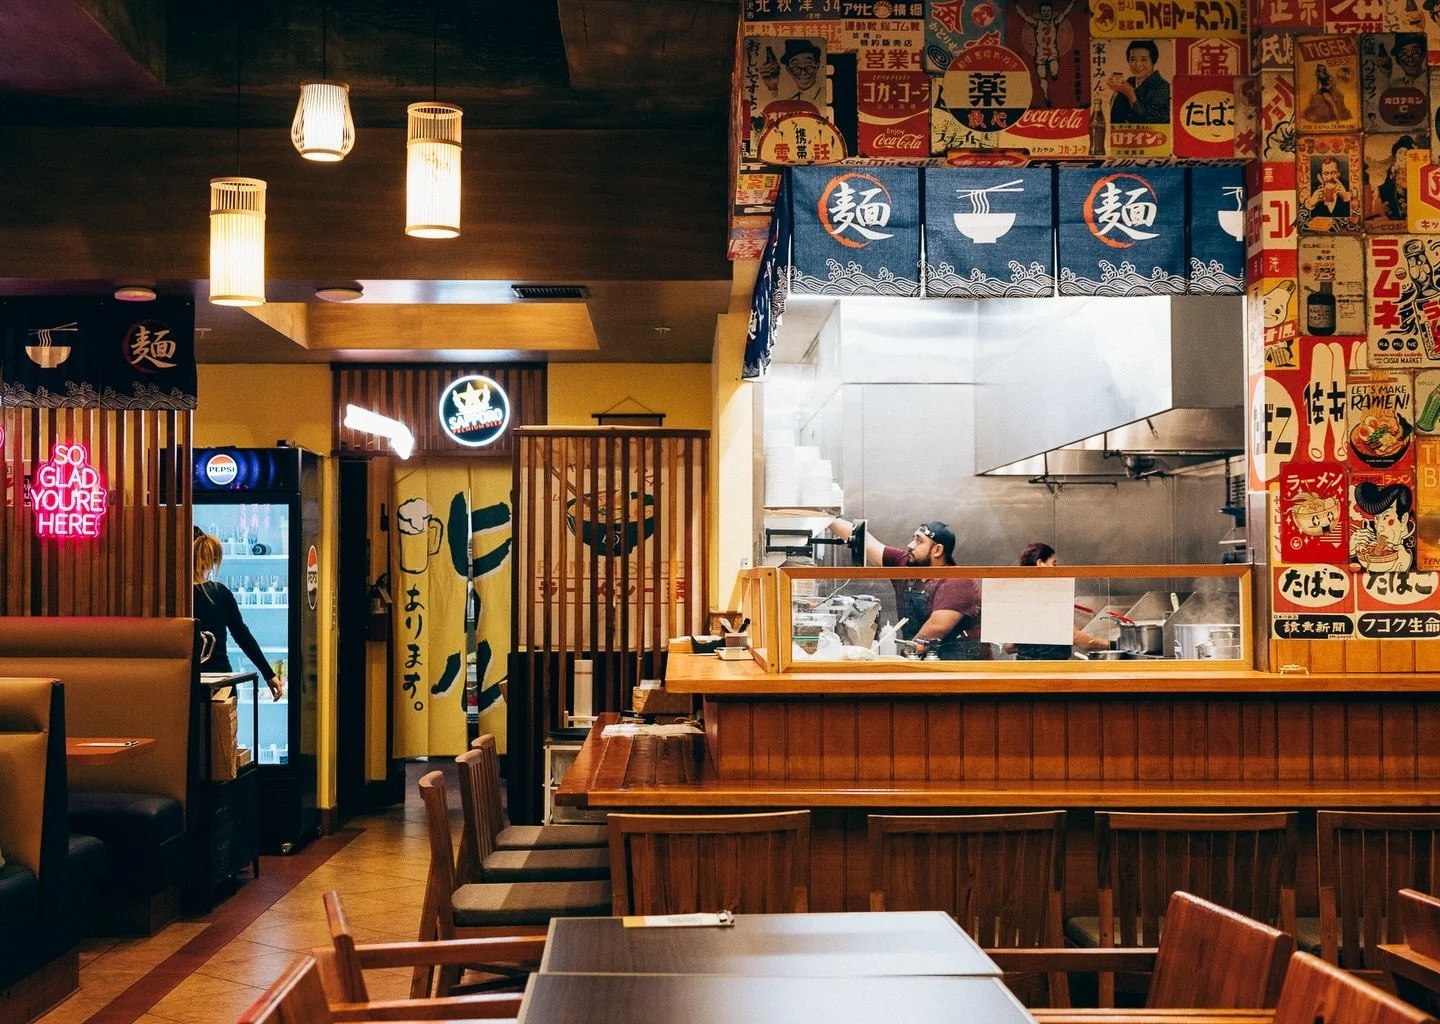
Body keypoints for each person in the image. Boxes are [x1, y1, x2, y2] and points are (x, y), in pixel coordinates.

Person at [829, 517, 987, 660]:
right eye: (913, 539)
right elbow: (866, 541)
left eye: (919, 541)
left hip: (963, 668)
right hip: (923, 663)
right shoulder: (905, 565)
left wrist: (904, 657)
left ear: (937, 550)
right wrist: (827, 519)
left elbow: (937, 627)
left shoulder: (958, 580)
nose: (910, 545)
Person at [193, 531, 283, 700]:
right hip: (220, 681)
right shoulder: (219, 593)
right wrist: (268, 674)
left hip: (185, 681)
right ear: (212, 561)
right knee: (220, 718)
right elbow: (243, 636)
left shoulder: (177, 597)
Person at [1010, 543, 1110, 660]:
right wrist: (1111, 644)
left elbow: (1009, 646)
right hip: (1052, 665)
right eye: (1053, 564)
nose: (1056, 569)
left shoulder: (1019, 597)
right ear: (1040, 563)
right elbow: (1074, 637)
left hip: (1023, 665)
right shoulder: (1053, 595)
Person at [1015, 0, 1077, 107]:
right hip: (1040, 57)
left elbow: (1065, 13)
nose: (1046, 13)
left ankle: (1054, 75)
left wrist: (1073, 2)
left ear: (1051, 11)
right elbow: (1024, 16)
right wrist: (1015, 4)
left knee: (1054, 72)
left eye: (1048, 11)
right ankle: (1046, 96)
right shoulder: (1036, 23)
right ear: (1041, 12)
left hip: (1052, 55)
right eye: (1044, 11)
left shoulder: (1054, 22)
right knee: (1042, 77)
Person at [1107, 39, 1170, 125]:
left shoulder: (1162, 86)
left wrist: (1131, 96)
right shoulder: (1130, 81)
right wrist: (1116, 92)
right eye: (1133, 59)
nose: (1137, 64)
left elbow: (1154, 120)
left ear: (1153, 61)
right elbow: (1115, 118)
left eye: (1143, 60)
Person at [1376, 135, 1415, 221]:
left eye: (1405, 154)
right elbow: (1387, 186)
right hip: (1394, 202)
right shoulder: (1392, 169)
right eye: (1399, 153)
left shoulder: (1413, 169)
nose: (1402, 156)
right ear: (1395, 154)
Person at [1305, 155, 1352, 220]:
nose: (1330, 178)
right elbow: (1305, 218)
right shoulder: (1312, 187)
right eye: (1326, 173)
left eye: (1333, 173)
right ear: (1321, 174)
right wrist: (1311, 203)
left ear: (1339, 173)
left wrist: (1346, 198)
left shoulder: (1349, 185)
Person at [780, 39, 825, 106]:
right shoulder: (791, 100)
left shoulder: (824, 96)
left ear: (817, 66)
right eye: (796, 66)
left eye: (808, 64)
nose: (803, 72)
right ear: (788, 70)